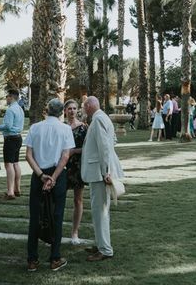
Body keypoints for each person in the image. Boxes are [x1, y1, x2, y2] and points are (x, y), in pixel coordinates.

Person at [25, 98, 75, 272]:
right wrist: (53, 178)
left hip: (39, 174)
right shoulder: (66, 129)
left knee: (35, 217)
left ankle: (32, 259)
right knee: (57, 215)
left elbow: (28, 155)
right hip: (57, 175)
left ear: (47, 109)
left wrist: (41, 175)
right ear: (62, 112)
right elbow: (65, 156)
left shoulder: (35, 128)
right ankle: (55, 258)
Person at [81, 96, 124, 262]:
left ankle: (105, 249)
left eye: (84, 106)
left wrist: (106, 171)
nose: (83, 109)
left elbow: (105, 146)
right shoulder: (102, 117)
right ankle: (100, 244)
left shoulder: (98, 119)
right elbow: (112, 141)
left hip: (100, 173)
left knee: (100, 211)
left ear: (90, 105)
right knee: (98, 210)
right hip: (99, 171)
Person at [63, 99, 87, 245]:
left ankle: (75, 232)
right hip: (61, 167)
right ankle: (52, 232)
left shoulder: (83, 128)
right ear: (65, 111)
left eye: (74, 108)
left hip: (77, 166)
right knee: (57, 199)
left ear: (77, 110)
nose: (72, 111)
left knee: (78, 199)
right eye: (69, 109)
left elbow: (88, 149)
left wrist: (73, 152)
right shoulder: (61, 127)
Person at [0, 89, 24, 200]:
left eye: (7, 96)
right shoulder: (20, 109)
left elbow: (7, 126)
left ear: (11, 97)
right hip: (18, 137)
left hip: (10, 138)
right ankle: (17, 189)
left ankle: (10, 192)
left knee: (9, 165)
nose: (6, 99)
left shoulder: (10, 110)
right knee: (16, 163)